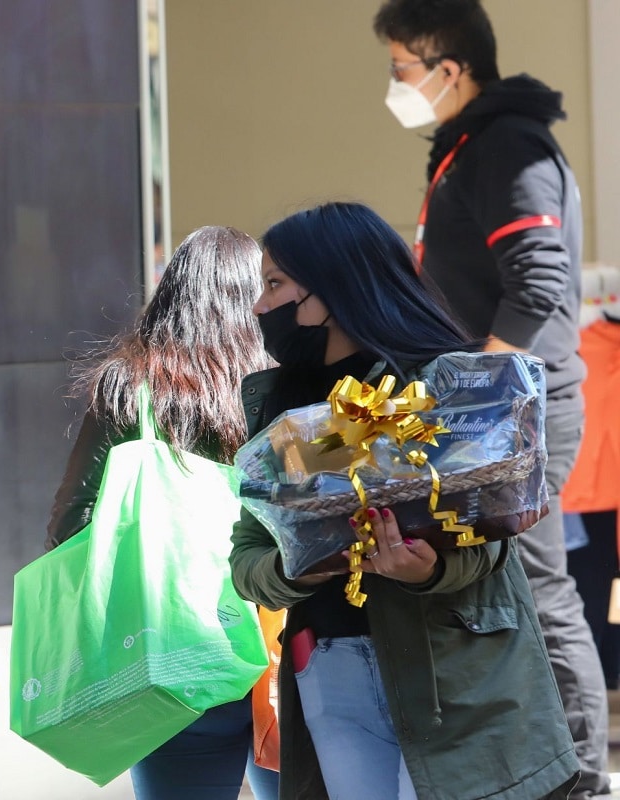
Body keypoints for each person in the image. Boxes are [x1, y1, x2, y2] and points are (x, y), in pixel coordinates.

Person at [229, 201, 579, 800]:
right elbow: (247, 561)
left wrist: (431, 569)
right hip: (329, 665)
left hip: (448, 672)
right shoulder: (276, 410)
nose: (260, 306)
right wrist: (299, 566)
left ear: (334, 287)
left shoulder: (448, 384)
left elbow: (497, 533)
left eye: (275, 284)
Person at [372, 2, 608, 796]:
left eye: (402, 66)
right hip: (497, 409)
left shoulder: (507, 147)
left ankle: (578, 771)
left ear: (449, 67)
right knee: (509, 583)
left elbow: (540, 281)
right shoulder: (473, 146)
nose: (394, 83)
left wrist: (476, 384)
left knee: (537, 585)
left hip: (517, 410)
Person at [47, 226, 280, 800]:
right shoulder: (280, 383)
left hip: (169, 655)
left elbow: (70, 523)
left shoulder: (133, 385)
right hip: (274, 641)